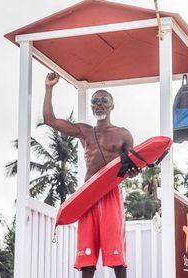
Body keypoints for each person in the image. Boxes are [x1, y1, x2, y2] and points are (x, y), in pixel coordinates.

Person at [43, 72, 134, 278]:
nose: (99, 104)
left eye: (104, 101)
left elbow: (131, 167)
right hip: (88, 194)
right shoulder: (85, 131)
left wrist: (134, 171)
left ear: (112, 106)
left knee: (116, 252)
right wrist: (49, 88)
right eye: (95, 101)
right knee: (86, 253)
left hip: (111, 192)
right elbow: (50, 120)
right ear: (92, 106)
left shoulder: (123, 134)